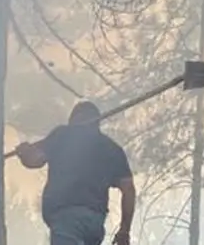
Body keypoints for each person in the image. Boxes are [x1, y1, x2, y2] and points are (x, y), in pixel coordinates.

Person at [14, 101, 136, 245]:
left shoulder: (63, 135)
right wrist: (124, 231)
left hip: (67, 217)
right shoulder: (112, 149)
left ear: (73, 119)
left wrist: (24, 153)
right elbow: (128, 190)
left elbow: (35, 160)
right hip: (95, 223)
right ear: (97, 122)